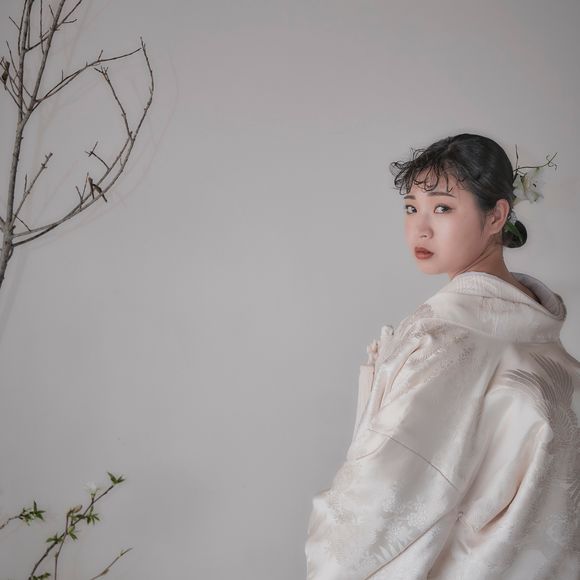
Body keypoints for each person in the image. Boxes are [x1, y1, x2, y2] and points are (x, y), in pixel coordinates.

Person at [304, 133, 580, 579]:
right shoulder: (543, 338)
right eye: (411, 208)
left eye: (443, 208)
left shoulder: (445, 337)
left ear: (497, 216)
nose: (420, 228)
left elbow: (378, 499)